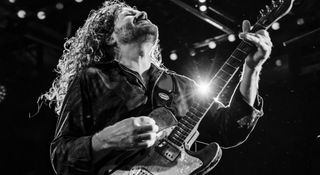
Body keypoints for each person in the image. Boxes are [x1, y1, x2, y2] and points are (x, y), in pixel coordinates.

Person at [40, 0, 272, 174]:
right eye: (129, 14)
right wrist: (106, 138)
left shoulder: (182, 86)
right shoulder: (92, 78)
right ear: (111, 38)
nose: (142, 12)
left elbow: (229, 129)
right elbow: (61, 156)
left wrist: (252, 68)